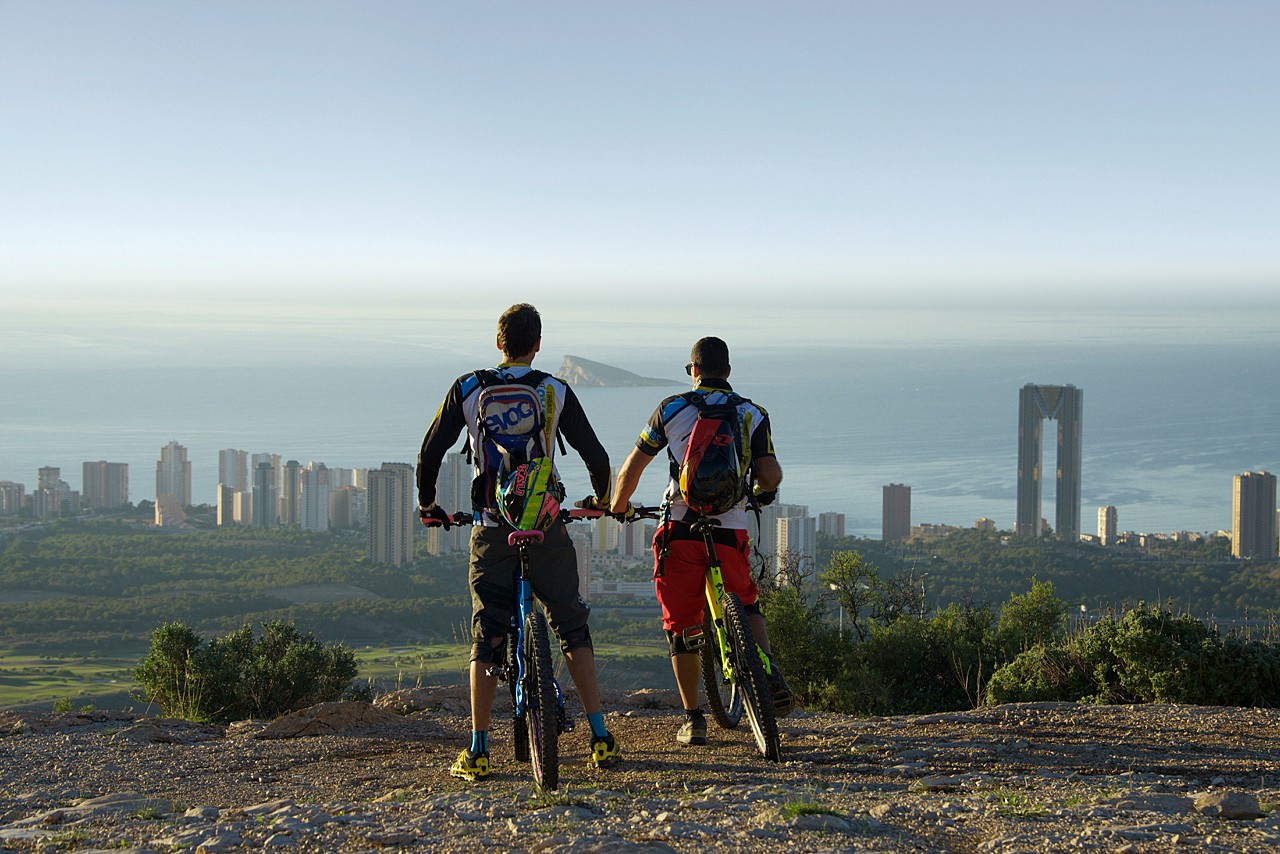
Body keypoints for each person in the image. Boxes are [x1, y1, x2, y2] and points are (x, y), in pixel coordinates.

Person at [416, 303, 621, 780]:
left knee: (487, 634)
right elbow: (597, 455)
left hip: (491, 526)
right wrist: (602, 498)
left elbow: (429, 454)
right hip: (546, 525)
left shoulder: (469, 388)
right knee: (572, 625)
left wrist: (428, 505)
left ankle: (478, 748)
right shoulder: (553, 389)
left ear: (498, 343)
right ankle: (600, 735)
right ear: (538, 344)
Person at [610, 336, 793, 746]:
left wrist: (619, 506)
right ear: (727, 371)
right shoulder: (752, 413)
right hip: (730, 529)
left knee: (681, 625)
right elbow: (769, 474)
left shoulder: (672, 409)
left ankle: (693, 719)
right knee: (746, 601)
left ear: (692, 371)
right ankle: (765, 669)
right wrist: (761, 494)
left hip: (680, 527)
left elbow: (631, 468)